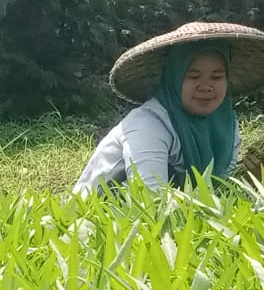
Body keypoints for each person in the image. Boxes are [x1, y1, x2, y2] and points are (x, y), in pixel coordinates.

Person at [74, 22, 264, 194]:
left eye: (216, 77)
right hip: (98, 221)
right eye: (193, 76)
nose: (206, 86)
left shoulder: (226, 129)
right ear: (174, 76)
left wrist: (252, 180)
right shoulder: (148, 124)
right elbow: (151, 200)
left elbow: (216, 196)